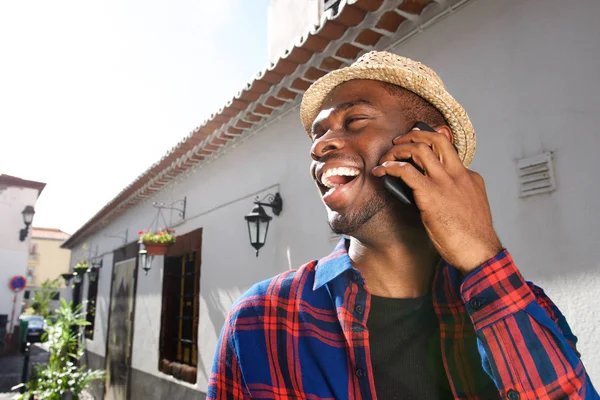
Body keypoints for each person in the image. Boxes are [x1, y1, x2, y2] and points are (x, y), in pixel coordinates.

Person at [208, 51, 598, 399]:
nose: (319, 146)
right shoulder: (262, 318)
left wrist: (481, 256)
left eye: (355, 120)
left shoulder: (526, 308)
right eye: (318, 134)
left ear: (431, 145)